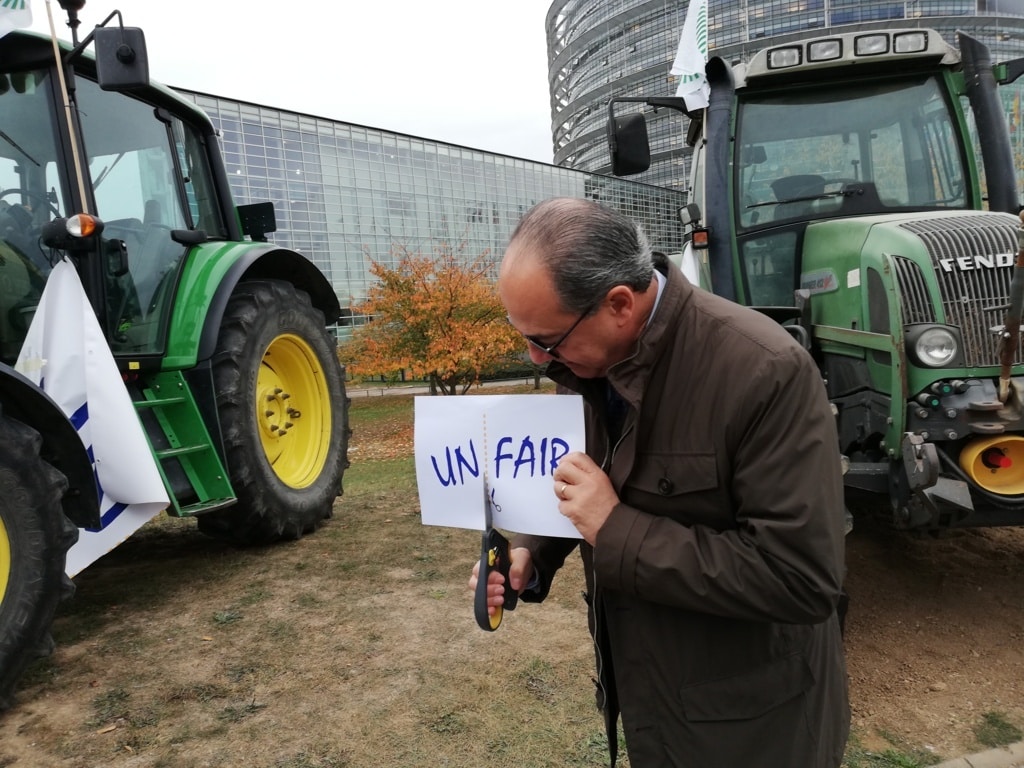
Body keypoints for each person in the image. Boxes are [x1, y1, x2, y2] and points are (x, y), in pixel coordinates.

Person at [470, 197, 850, 767]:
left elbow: (800, 577)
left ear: (619, 304)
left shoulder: (764, 371)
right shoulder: (582, 366)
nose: (536, 357)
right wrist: (529, 552)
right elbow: (578, 485)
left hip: (756, 728)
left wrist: (615, 528)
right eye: (522, 335)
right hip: (656, 708)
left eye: (546, 340)